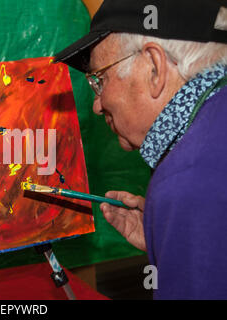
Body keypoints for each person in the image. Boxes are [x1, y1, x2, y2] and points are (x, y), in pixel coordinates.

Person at [54, 0, 227, 299]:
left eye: (100, 79)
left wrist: (183, 215)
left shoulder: (186, 179)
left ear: (154, 69)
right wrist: (175, 238)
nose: (97, 105)